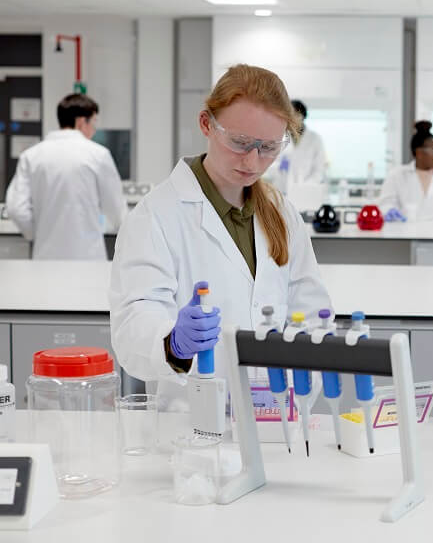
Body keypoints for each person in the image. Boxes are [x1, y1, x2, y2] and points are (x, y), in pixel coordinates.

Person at [109, 64, 332, 403]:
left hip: (277, 425)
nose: (254, 162)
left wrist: (297, 388)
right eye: (240, 142)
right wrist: (173, 343)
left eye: (269, 147)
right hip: (190, 427)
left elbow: (314, 314)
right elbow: (132, 330)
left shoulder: (282, 212)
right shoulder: (156, 215)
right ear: (206, 125)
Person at [5, 93, 125, 259]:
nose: (94, 129)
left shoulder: (31, 156)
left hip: (45, 256)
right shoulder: (99, 155)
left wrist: (35, 232)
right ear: (81, 122)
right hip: (88, 256)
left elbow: (16, 208)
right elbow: (116, 209)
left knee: (45, 285)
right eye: (94, 122)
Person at [379, 120, 433, 222]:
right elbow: (385, 204)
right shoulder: (396, 175)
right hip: (406, 232)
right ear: (419, 152)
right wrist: (389, 210)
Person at [263, 99, 327, 192]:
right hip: (282, 188)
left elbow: (319, 168)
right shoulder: (279, 135)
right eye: (291, 115)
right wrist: (279, 166)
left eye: (297, 115)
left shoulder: (315, 139)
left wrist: (307, 186)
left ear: (303, 116)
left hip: (306, 189)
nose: (294, 119)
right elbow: (269, 161)